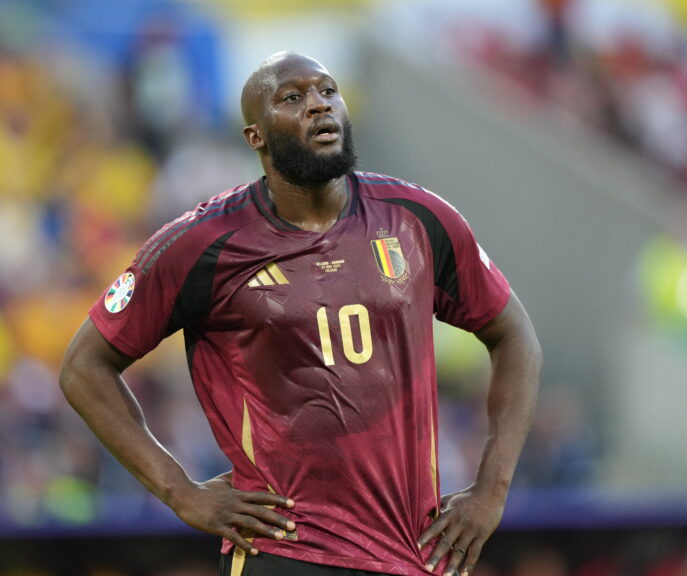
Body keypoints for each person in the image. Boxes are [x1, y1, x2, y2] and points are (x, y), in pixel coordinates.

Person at [59, 51, 542, 576]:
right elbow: (84, 366)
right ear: (255, 137)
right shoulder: (201, 244)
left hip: (417, 551)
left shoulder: (418, 218)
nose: (318, 106)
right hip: (285, 550)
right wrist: (179, 492)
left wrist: (490, 493)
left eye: (328, 91)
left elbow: (515, 335)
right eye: (292, 98)